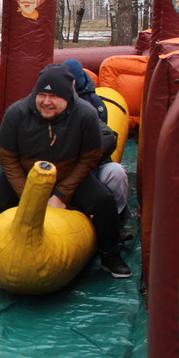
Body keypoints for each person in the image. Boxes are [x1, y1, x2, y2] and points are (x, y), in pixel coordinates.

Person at [0, 62, 131, 279]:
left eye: (54, 96)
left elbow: (89, 158)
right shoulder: (17, 113)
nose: (46, 102)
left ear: (68, 97)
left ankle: (110, 254)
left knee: (103, 202)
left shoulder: (85, 114)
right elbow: (6, 157)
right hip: (26, 174)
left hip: (68, 173)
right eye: (42, 95)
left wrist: (61, 194)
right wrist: (29, 195)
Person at [64, 59, 131, 231]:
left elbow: (105, 138)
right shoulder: (51, 102)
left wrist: (82, 156)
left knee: (117, 173)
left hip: (92, 163)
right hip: (63, 167)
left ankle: (117, 219)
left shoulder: (94, 105)